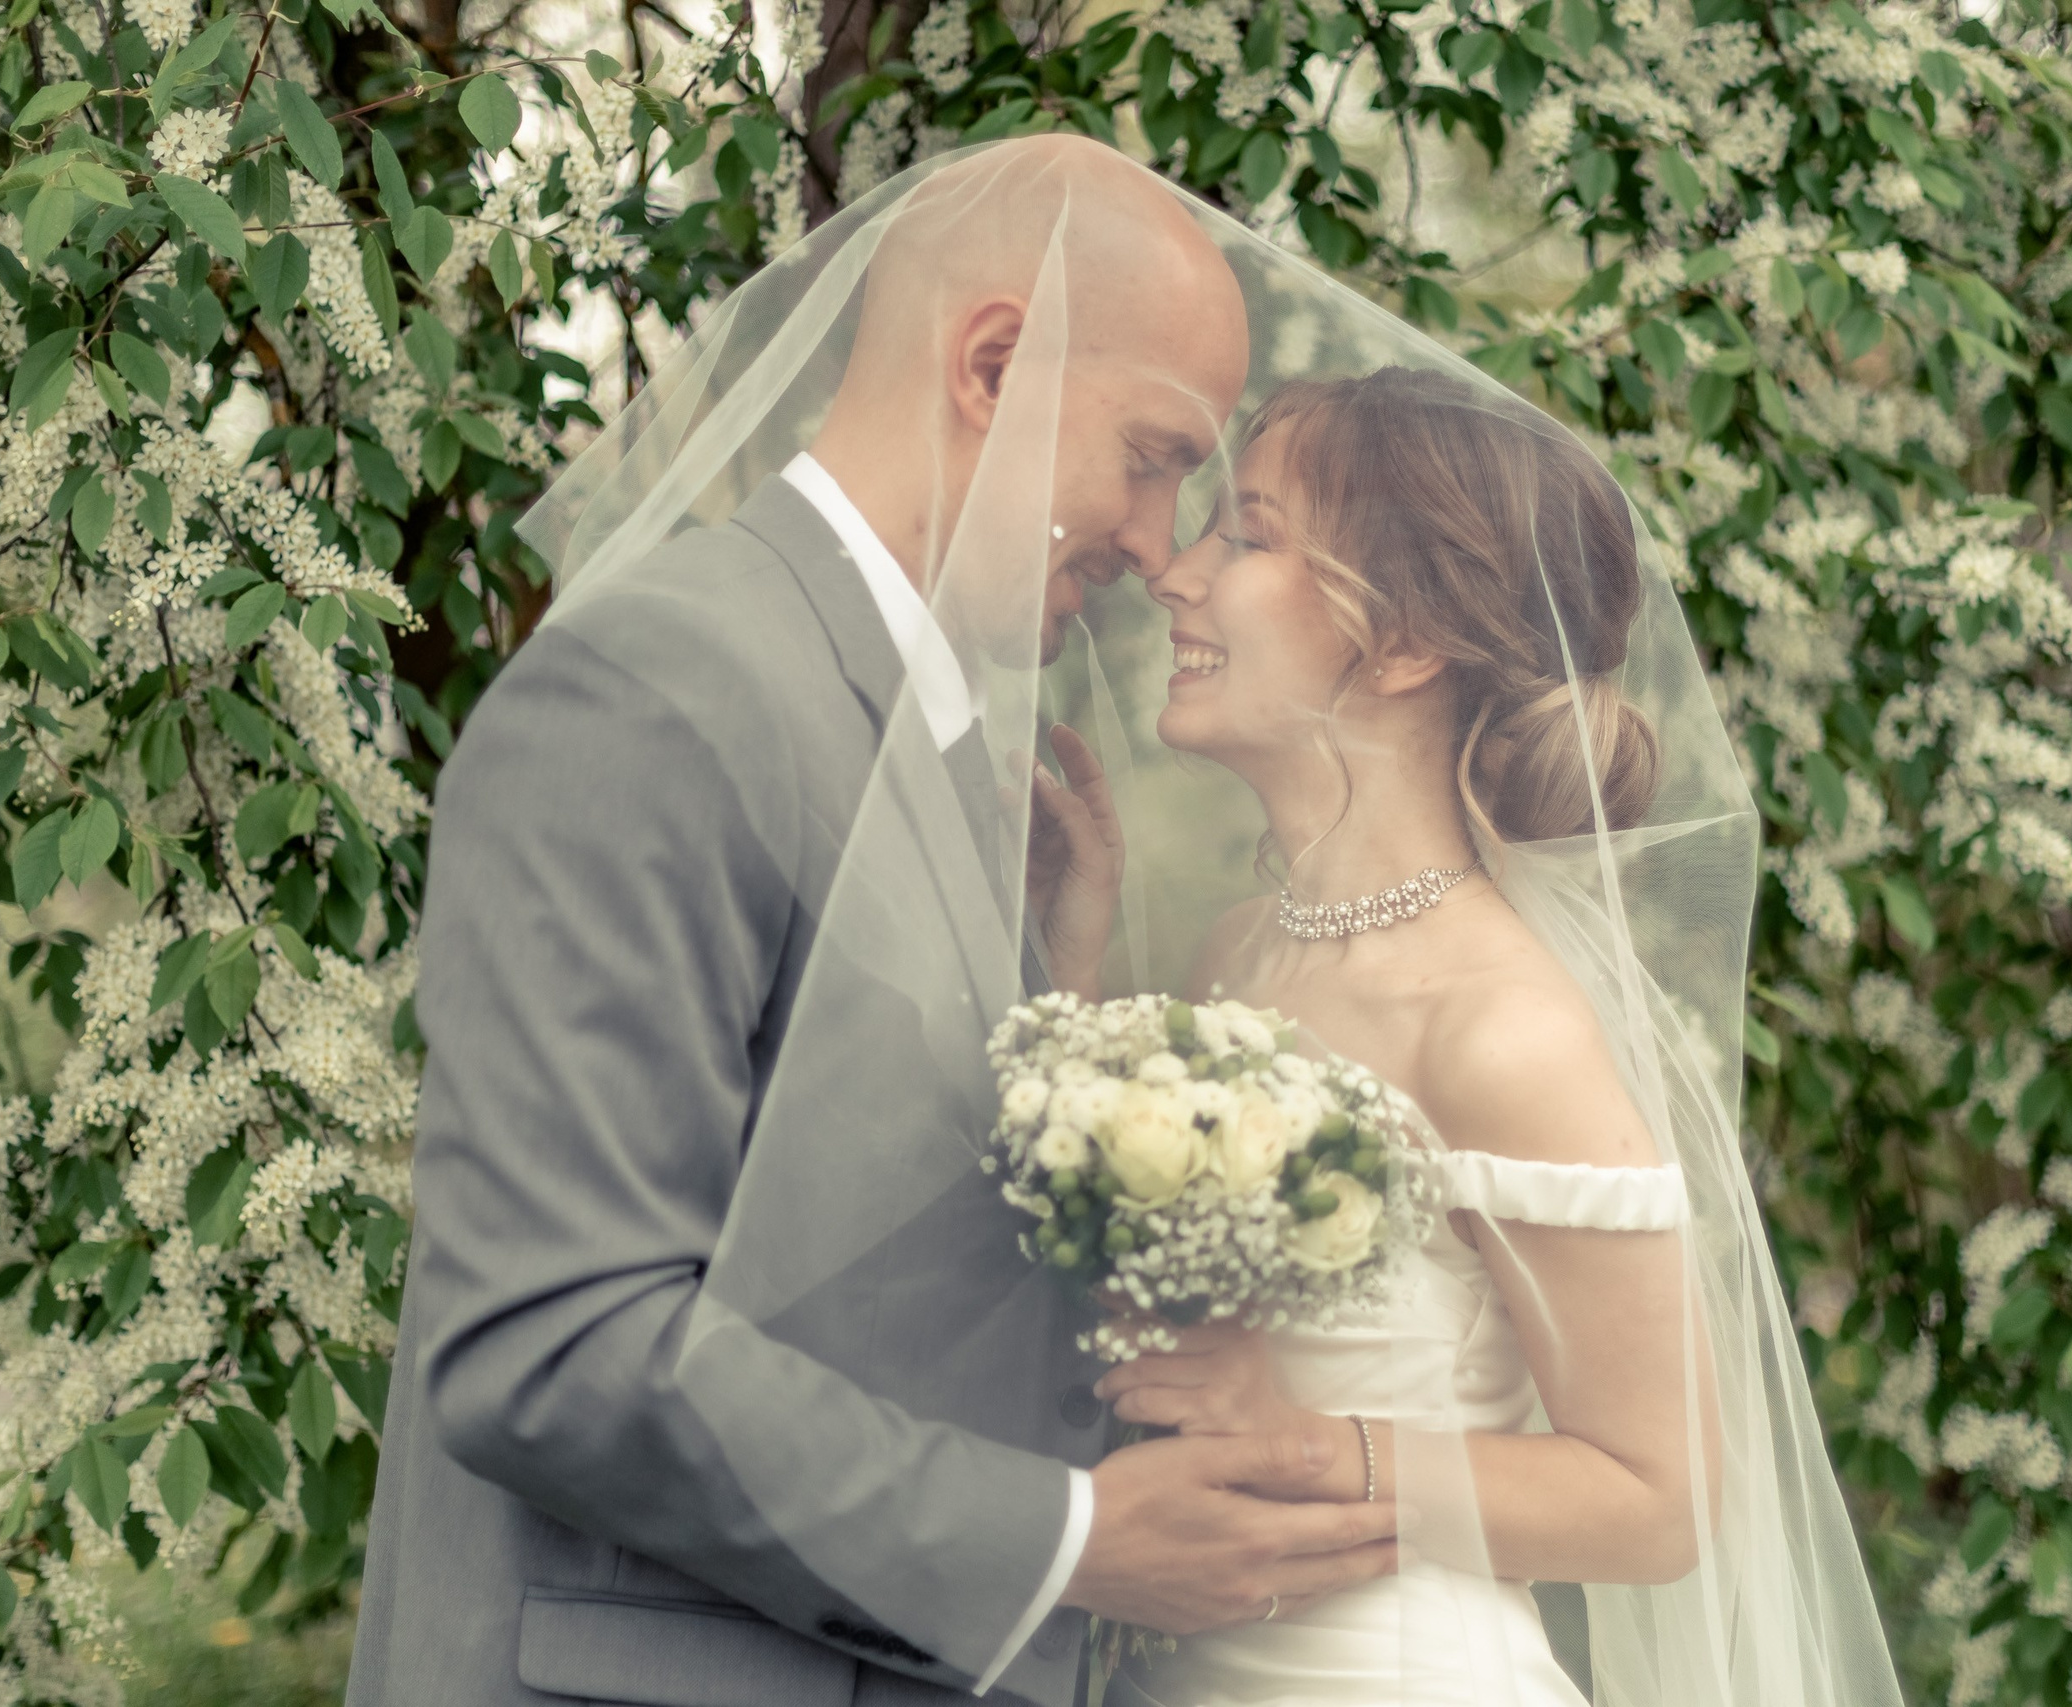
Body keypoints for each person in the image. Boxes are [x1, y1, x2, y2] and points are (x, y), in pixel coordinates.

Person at [345, 137, 1400, 1707]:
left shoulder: (948, 748)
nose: (1159, 545)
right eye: (1154, 454)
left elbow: (867, 1279)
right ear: (991, 365)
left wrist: (1065, 972)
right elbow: (551, 1347)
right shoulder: (660, 691)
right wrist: (1068, 1541)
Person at [1088, 368, 1908, 1706]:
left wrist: (1307, 1452)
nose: (1178, 575)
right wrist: (1067, 954)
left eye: (1246, 533)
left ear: (1404, 644)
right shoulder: (1240, 952)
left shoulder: (1502, 1027)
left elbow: (1659, 1499)